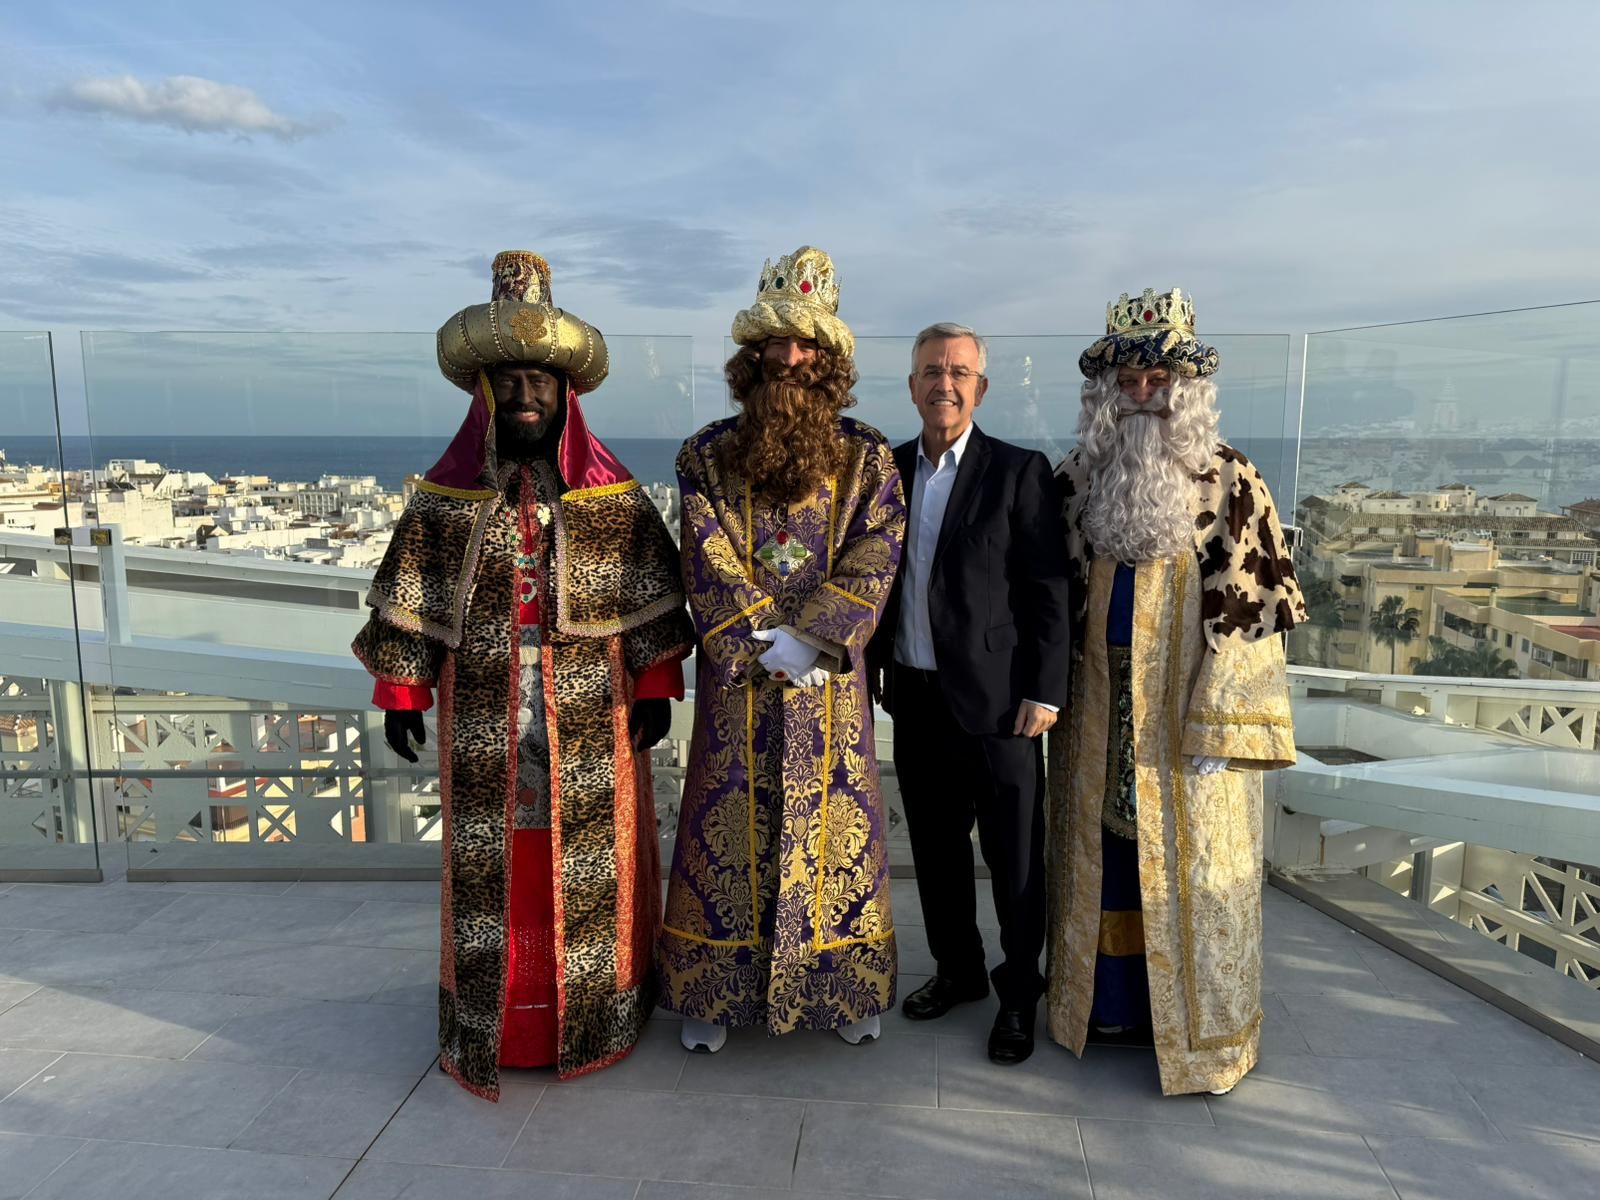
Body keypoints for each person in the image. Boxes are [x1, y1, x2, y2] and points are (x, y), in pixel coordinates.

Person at [353, 251, 693, 1100]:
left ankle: (594, 1015)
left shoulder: (611, 497)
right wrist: (403, 691)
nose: (527, 397)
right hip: (482, 721)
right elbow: (412, 594)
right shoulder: (444, 500)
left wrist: (654, 689)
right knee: (493, 869)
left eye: (541, 381)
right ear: (486, 393)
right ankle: (496, 1018)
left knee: (589, 873)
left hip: (591, 721)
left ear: (565, 392)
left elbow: (651, 599)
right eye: (512, 382)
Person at [1046, 288, 1305, 1096]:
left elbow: (1256, 607)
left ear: (1184, 384)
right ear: (1108, 389)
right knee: (1106, 859)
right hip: (1096, 713)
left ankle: (1190, 1032)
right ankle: (1105, 1008)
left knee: (1183, 874)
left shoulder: (1231, 481)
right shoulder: (1078, 481)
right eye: (1130, 378)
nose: (1143, 392)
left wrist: (1220, 727)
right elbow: (1044, 600)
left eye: (1157, 376)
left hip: (1186, 723)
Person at [658, 246, 906, 1052]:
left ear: (830, 358)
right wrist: (763, 640)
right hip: (740, 681)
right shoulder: (705, 453)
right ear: (752, 352)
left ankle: (842, 989)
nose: (789, 358)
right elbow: (704, 549)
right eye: (776, 343)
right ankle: (713, 993)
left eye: (806, 346)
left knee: (838, 827)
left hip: (830, 683)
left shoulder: (868, 455)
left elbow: (878, 548)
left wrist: (816, 640)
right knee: (727, 827)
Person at [865, 323, 1071, 1065]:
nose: (942, 383)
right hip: (915, 699)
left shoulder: (1019, 471)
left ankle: (1019, 990)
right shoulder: (884, 472)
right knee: (937, 851)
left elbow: (1049, 590)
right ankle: (958, 972)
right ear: (912, 385)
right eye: (929, 371)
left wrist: (1046, 692)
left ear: (979, 388)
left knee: (1015, 859)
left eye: (957, 371)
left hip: (1002, 708)